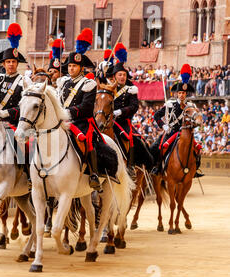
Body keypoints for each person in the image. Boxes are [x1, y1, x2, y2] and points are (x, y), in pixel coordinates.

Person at [58, 28, 109, 191]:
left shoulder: (89, 83)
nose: (71, 68)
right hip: (61, 120)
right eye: (70, 65)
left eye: (75, 66)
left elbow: (86, 108)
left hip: (80, 122)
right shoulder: (63, 82)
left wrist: (67, 113)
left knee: (87, 140)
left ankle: (93, 173)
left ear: (81, 68)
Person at [150, 64, 203, 177]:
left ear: (186, 94)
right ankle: (158, 167)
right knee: (159, 147)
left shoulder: (191, 106)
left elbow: (196, 120)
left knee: (198, 148)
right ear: (176, 94)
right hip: (172, 131)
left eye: (183, 93)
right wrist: (163, 126)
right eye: (179, 93)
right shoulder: (170, 105)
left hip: (186, 133)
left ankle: (195, 169)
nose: (181, 95)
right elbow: (156, 116)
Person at [111, 43, 153, 174]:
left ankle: (131, 165)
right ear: (114, 77)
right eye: (119, 75)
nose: (122, 77)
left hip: (123, 122)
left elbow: (134, 106)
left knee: (135, 140)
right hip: (108, 121)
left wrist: (120, 112)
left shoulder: (131, 90)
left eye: (124, 74)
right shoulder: (108, 89)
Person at [0, 23, 27, 126]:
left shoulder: (23, 81)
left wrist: (6, 113)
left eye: (13, 61)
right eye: (8, 62)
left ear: (17, 63)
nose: (11, 64)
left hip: (13, 124)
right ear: (3, 64)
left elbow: (26, 106)